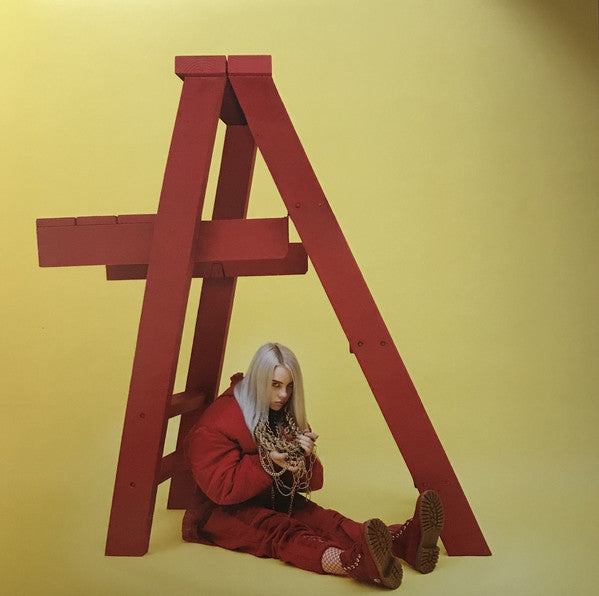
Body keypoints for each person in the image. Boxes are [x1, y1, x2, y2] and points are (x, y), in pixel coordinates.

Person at [182, 342, 444, 589]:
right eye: (275, 385)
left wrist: (305, 458)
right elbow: (221, 490)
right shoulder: (217, 423)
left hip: (272, 497)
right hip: (219, 514)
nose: (283, 395)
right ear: (258, 381)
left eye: (289, 386)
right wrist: (267, 462)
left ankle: (403, 541)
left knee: (327, 521)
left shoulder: (283, 414)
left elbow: (313, 484)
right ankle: (351, 563)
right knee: (282, 533)